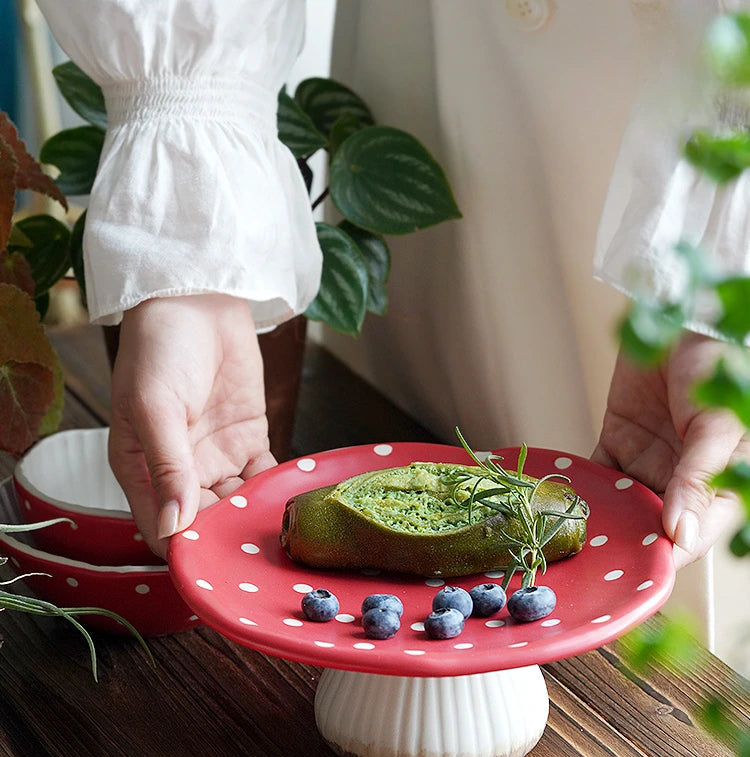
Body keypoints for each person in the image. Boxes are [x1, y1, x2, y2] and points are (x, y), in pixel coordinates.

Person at [33, 1, 747, 653]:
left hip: (670, 95)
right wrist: (193, 246)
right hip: (434, 54)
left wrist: (722, 279)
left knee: (650, 660)